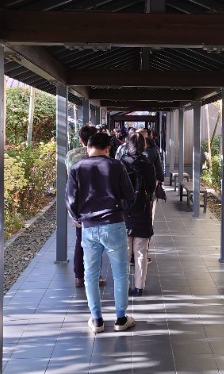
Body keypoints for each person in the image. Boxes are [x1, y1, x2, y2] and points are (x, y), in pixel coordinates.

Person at [67, 132, 136, 333]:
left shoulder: (77, 168)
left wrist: (79, 219)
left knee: (90, 274)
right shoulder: (116, 166)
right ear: (108, 148)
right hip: (114, 224)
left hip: (88, 227)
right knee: (121, 273)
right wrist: (120, 210)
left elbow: (70, 200)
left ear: (88, 147)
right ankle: (121, 319)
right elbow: (129, 195)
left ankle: (97, 320)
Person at [65, 124, 105, 288]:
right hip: (96, 202)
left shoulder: (71, 155)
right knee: (96, 241)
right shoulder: (100, 156)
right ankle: (94, 276)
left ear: (81, 139)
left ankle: (79, 276)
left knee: (80, 239)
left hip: (78, 201)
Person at [119, 133, 156, 296]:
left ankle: (124, 285)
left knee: (124, 252)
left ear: (128, 145)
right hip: (142, 211)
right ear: (143, 146)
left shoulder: (121, 163)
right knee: (141, 251)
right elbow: (151, 190)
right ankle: (139, 287)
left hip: (124, 212)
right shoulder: (148, 165)